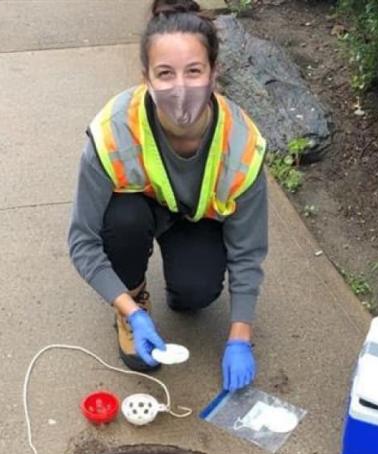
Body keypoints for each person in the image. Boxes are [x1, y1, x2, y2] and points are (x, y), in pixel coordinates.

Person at [68, 0, 269, 392]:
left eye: (194, 71)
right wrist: (127, 308)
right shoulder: (111, 134)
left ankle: (183, 278)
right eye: (165, 73)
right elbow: (82, 241)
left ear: (214, 73)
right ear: (145, 77)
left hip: (196, 221)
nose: (181, 88)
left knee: (196, 295)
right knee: (124, 220)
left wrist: (240, 336)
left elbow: (248, 250)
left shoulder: (243, 147)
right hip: (138, 213)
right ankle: (134, 297)